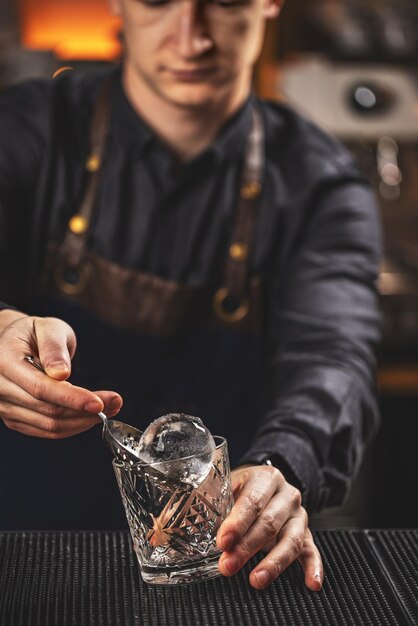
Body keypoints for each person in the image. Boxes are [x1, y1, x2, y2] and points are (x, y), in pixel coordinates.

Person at [0, 0, 381, 592]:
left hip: (220, 564)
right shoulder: (26, 127)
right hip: (20, 553)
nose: (191, 37)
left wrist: (281, 465)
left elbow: (333, 358)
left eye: (223, 3)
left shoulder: (320, 182)